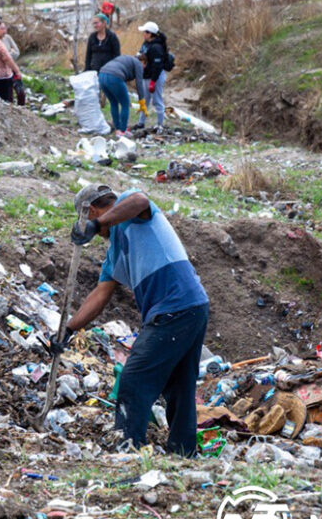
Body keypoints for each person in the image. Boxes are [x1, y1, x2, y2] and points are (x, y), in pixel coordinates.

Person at [59, 184, 210, 457]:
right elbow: (100, 294)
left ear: (91, 211)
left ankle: (129, 450)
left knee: (134, 380)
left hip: (174, 306)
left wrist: (96, 224)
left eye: (91, 220)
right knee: (180, 386)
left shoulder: (130, 204)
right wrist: (68, 330)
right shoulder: (114, 254)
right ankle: (184, 453)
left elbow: (140, 200)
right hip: (192, 306)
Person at [98, 54, 147, 137]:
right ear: (143, 62)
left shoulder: (128, 59)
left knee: (113, 103)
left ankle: (117, 129)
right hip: (114, 77)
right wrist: (142, 100)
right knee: (125, 104)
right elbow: (139, 83)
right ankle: (122, 131)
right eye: (145, 66)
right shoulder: (138, 64)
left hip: (102, 75)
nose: (144, 68)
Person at [134, 21, 170, 131]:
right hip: (146, 76)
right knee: (145, 100)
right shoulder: (146, 43)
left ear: (150, 34)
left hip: (155, 77)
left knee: (157, 100)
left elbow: (157, 66)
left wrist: (153, 81)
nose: (143, 34)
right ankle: (141, 123)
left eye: (144, 32)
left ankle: (160, 124)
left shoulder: (156, 47)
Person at [0, 18, 26, 106]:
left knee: (21, 92)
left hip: (12, 68)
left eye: (5, 28)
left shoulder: (7, 38)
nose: (4, 31)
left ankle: (21, 109)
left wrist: (7, 56)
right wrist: (8, 54)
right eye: (2, 29)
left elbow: (17, 52)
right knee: (8, 96)